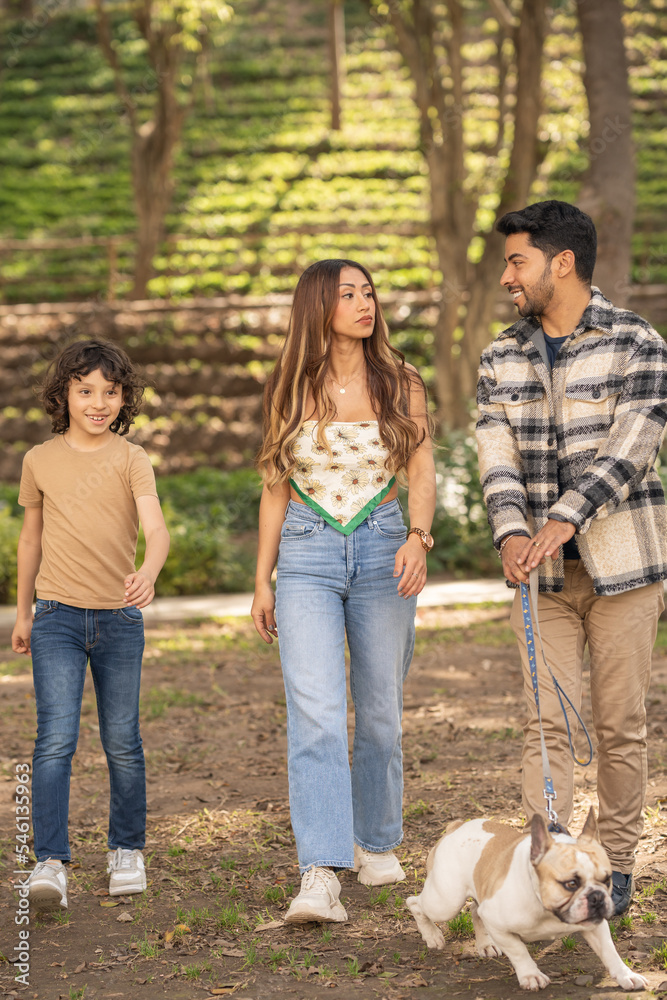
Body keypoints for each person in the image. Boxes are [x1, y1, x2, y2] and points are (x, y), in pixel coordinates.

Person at [476, 200, 667, 915]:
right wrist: (509, 531)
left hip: (625, 572)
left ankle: (611, 866)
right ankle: (552, 864)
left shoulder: (637, 343)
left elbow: (630, 449)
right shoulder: (500, 355)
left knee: (619, 726)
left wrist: (562, 518)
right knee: (544, 724)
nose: (506, 277)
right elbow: (494, 452)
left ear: (561, 262)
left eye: (516, 261)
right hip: (541, 580)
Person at [251, 259, 436, 923]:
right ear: (317, 307)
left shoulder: (400, 380)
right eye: (347, 294)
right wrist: (262, 579)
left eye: (368, 292)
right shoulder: (288, 385)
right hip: (305, 554)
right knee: (317, 715)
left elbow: (421, 466)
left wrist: (418, 537)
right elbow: (275, 487)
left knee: (380, 711)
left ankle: (376, 841)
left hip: (385, 546)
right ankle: (320, 872)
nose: (365, 303)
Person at [12, 339, 170, 911]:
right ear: (64, 395)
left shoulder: (131, 458)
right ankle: (50, 862)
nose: (98, 402)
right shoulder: (39, 460)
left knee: (122, 741)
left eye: (110, 391)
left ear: (124, 398)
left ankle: (126, 850)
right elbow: (30, 540)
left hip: (119, 620)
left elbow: (156, 529)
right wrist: (23, 612)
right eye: (85, 391)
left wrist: (148, 571)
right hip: (55, 616)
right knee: (55, 740)